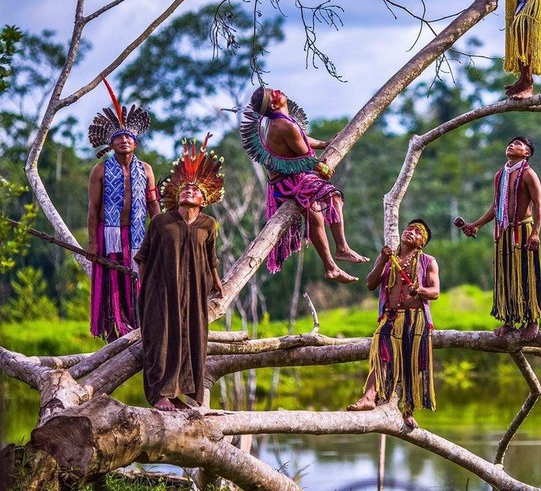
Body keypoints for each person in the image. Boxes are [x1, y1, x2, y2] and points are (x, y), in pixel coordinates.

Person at [240, 86, 367, 283]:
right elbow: (305, 157)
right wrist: (321, 168)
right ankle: (342, 248)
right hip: (288, 182)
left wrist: (325, 144)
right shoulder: (282, 125)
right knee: (332, 196)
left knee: (315, 216)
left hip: (289, 177)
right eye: (274, 92)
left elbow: (302, 139)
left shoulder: (282, 122)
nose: (279, 90)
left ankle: (331, 267)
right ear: (273, 104)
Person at [136, 135, 225, 412]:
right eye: (184, 189)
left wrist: (217, 283)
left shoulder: (208, 225)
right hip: (161, 290)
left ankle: (178, 394)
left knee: (191, 338)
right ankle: (161, 394)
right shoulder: (161, 221)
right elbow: (144, 256)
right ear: (176, 195)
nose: (188, 191)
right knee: (161, 338)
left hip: (195, 290)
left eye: (194, 190)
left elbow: (211, 259)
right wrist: (145, 288)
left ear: (204, 199)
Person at [347, 219, 440, 429]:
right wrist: (381, 259)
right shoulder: (389, 261)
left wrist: (421, 290)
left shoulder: (428, 261)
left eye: (417, 232)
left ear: (421, 242)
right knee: (380, 354)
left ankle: (407, 410)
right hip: (390, 317)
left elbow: (435, 292)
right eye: (409, 228)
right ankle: (368, 398)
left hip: (415, 320)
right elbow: (370, 283)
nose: (411, 232)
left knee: (411, 364)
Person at [86, 79, 160, 341]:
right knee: (112, 280)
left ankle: (140, 326)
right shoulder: (101, 170)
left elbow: (153, 204)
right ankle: (115, 327)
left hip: (138, 235)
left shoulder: (147, 170)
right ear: (112, 144)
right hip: (110, 235)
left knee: (138, 279)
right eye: (119, 138)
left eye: (128, 137)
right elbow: (94, 209)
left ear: (135, 143)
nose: (124, 141)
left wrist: (161, 231)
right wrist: (93, 242)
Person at [460, 136, 541, 341]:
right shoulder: (500, 175)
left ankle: (532, 321)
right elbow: (496, 206)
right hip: (503, 233)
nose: (511, 145)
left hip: (523, 232)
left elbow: (539, 204)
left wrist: (535, 232)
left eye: (518, 144)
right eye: (510, 143)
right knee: (506, 277)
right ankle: (509, 321)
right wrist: (476, 225)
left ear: (527, 154)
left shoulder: (528, 174)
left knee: (526, 275)